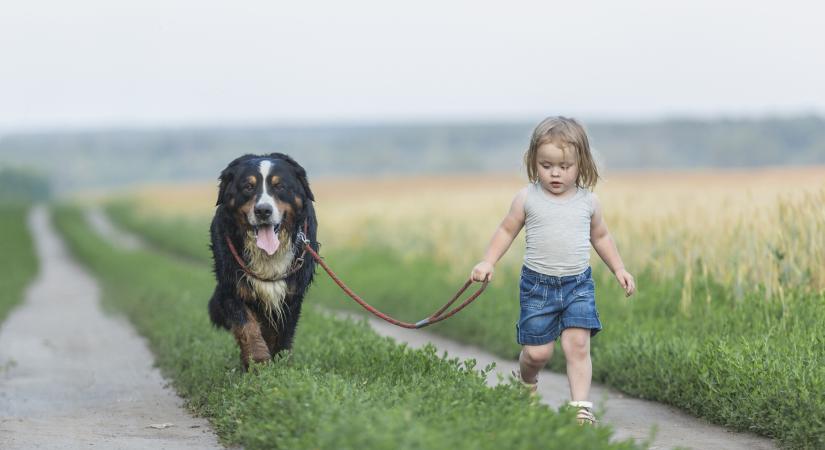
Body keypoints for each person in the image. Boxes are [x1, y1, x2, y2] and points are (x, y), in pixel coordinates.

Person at [470, 116, 635, 425]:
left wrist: (619, 268)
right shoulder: (527, 198)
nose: (555, 173)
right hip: (537, 287)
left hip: (578, 285)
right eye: (546, 166)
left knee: (578, 344)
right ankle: (526, 382)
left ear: (581, 163)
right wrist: (487, 261)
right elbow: (506, 231)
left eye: (565, 166)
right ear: (534, 162)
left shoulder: (589, 202)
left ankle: (580, 408)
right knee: (538, 354)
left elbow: (600, 237)